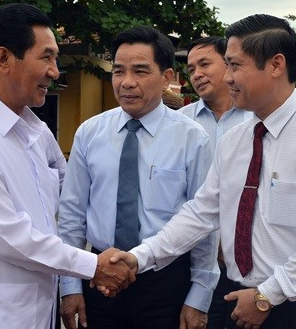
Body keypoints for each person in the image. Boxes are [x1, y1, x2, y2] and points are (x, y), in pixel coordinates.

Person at [110, 14, 296, 329]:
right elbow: (200, 213)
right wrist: (139, 257)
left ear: (275, 65)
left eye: (235, 65)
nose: (227, 77)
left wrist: (267, 294)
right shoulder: (235, 140)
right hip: (238, 300)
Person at [0, 3, 134, 329]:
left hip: (35, 310)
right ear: (4, 58)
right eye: (46, 57)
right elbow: (9, 236)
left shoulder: (34, 130)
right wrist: (94, 265)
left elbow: (67, 201)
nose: (54, 70)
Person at [58, 26, 218, 329]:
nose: (127, 82)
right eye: (119, 71)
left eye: (141, 71)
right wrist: (70, 286)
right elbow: (71, 214)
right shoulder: (90, 133)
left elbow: (204, 223)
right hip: (99, 278)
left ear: (167, 77)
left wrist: (199, 295)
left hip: (166, 282)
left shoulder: (192, 138)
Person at [179, 36, 252, 329]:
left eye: (205, 64)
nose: (196, 74)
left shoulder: (255, 120)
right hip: (191, 262)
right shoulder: (180, 123)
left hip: (243, 264)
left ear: (229, 64)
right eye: (191, 68)